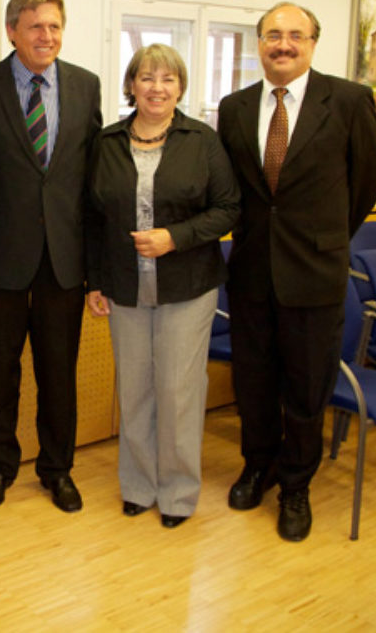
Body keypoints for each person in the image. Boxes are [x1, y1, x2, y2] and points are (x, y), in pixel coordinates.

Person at [217, 2, 376, 541]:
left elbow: (364, 184)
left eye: (295, 35)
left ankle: (295, 486)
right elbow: (238, 191)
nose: (283, 44)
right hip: (250, 273)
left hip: (314, 274)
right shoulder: (235, 106)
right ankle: (257, 465)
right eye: (272, 35)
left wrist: (323, 237)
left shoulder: (350, 100)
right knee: (255, 380)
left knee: (308, 386)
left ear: (313, 42)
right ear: (259, 43)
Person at [0, 0, 102, 512]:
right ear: (12, 30)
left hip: (65, 258)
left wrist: (97, 266)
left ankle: (57, 468)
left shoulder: (86, 86)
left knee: (59, 372)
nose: (47, 36)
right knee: (1, 369)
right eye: (36, 26)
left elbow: (91, 180)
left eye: (55, 26)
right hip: (0, 258)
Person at [86, 44, 240, 527]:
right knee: (135, 391)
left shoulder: (202, 139)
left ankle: (177, 492)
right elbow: (90, 217)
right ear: (131, 84)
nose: (157, 87)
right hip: (124, 287)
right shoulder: (106, 141)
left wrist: (176, 237)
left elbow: (228, 208)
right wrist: (93, 281)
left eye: (168, 79)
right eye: (147, 78)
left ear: (181, 88)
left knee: (178, 392)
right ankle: (138, 485)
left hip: (188, 287)